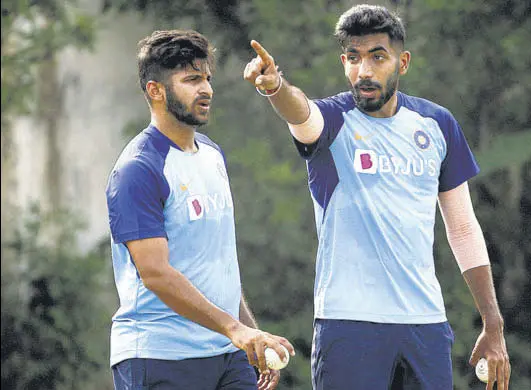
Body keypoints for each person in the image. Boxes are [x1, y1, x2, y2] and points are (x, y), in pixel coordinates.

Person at [244, 5, 510, 390]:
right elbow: (299, 111)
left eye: (377, 57)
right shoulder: (332, 122)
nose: (363, 71)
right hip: (349, 325)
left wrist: (493, 324)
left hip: (426, 325)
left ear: (402, 62)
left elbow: (464, 230)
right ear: (343, 62)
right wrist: (274, 87)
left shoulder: (437, 125)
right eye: (353, 58)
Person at [106, 29, 294, 390]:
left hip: (226, 354)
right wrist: (235, 329)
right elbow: (155, 273)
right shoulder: (138, 169)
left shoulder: (211, 155)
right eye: (192, 80)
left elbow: (217, 261)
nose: (206, 89)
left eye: (206, 78)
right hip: (159, 357)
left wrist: (248, 333)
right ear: (155, 91)